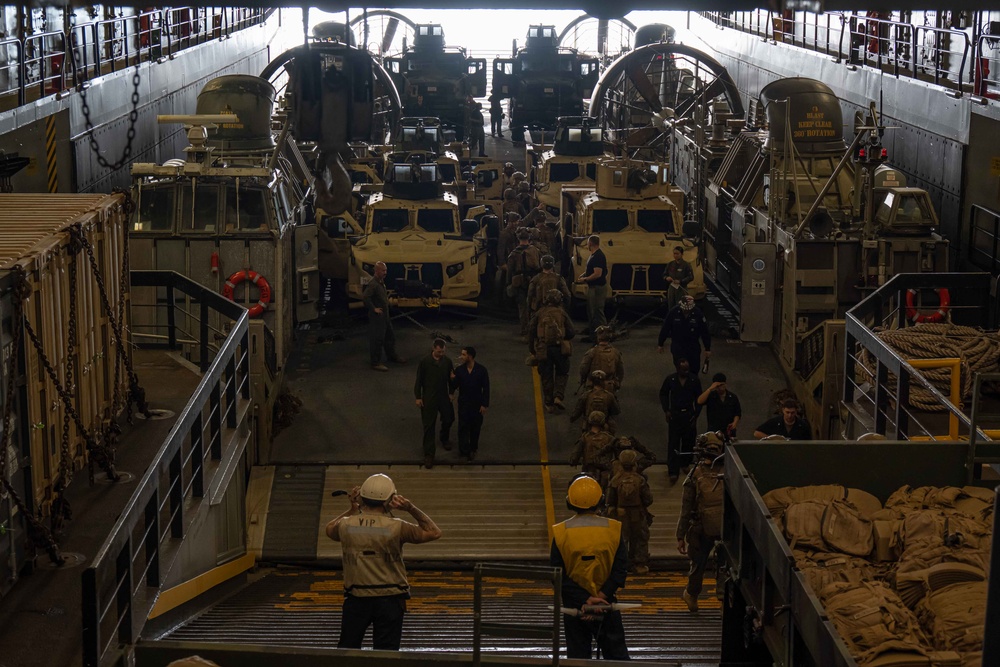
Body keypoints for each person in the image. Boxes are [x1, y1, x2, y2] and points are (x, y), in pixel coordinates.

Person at [325, 473, 442, 649]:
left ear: (362, 497)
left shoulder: (346, 525)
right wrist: (410, 508)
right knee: (386, 653)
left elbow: (329, 529)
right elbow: (434, 532)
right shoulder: (397, 526)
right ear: (390, 500)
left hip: (356, 598)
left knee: (347, 650)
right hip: (390, 599)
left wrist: (353, 509)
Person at [550, 476, 630, 660]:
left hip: (575, 607)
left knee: (578, 657)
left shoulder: (560, 533)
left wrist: (585, 601)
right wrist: (600, 598)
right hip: (606, 604)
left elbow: (557, 576)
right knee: (617, 656)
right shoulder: (614, 529)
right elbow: (619, 571)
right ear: (601, 500)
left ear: (569, 502)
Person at [676, 433, 725, 613]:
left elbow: (686, 508)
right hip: (724, 528)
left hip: (700, 528)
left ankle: (692, 595)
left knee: (698, 565)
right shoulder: (729, 472)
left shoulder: (694, 475)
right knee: (724, 566)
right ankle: (722, 600)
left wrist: (680, 535)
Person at [607, 449, 654, 575]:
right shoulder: (640, 480)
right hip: (638, 513)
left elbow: (610, 500)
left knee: (621, 540)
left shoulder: (615, 480)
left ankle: (620, 565)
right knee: (640, 538)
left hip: (620, 514)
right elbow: (648, 499)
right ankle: (640, 565)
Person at [527, 289, 575, 413]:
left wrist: (532, 350)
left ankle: (548, 403)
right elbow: (571, 332)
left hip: (543, 349)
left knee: (546, 376)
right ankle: (558, 396)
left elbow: (531, 331)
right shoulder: (562, 313)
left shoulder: (539, 313)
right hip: (560, 349)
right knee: (562, 372)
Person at [659, 358, 703, 483]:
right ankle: (673, 470)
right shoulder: (670, 379)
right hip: (675, 415)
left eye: (687, 369)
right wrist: (666, 409)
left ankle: (685, 463)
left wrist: (696, 414)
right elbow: (663, 393)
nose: (686, 372)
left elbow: (699, 398)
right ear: (677, 369)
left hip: (689, 414)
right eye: (683, 370)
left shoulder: (694, 380)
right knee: (673, 442)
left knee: (689, 440)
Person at [414, 338, 455, 468]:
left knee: (449, 418)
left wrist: (451, 392)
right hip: (429, 397)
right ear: (433, 349)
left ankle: (444, 437)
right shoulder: (425, 362)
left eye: (443, 351)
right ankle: (429, 454)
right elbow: (419, 380)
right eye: (439, 351)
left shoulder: (447, 362)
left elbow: (451, 378)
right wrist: (418, 397)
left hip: (443, 396)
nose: (441, 354)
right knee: (429, 425)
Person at [363, 261, 405, 372]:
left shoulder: (381, 282)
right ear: (376, 271)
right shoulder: (373, 284)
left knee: (390, 337)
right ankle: (375, 363)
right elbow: (366, 297)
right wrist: (374, 309)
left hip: (385, 316)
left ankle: (391, 356)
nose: (385, 272)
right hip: (378, 317)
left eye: (386, 270)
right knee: (378, 339)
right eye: (383, 270)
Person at [450, 346, 490, 462]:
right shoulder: (460, 370)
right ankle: (463, 450)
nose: (461, 357)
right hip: (464, 403)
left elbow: (486, 388)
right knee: (463, 426)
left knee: (475, 427)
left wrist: (484, 404)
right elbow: (455, 385)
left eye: (463, 355)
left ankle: (473, 448)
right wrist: (452, 382)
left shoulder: (482, 370)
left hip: (477, 404)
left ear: (470, 356)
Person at [657, 295, 711, 374]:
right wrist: (660, 344)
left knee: (694, 368)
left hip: (693, 346)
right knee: (680, 368)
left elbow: (705, 332)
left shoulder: (698, 313)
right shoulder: (673, 312)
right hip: (678, 345)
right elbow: (665, 328)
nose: (686, 311)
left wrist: (707, 348)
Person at [507, 228, 542, 338]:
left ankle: (525, 331)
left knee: (523, 308)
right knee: (535, 306)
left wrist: (509, 284)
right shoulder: (536, 250)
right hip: (534, 281)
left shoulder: (513, 254)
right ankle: (536, 329)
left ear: (518, 239)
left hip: (520, 283)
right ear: (529, 238)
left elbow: (510, 271)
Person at [576, 235, 609, 339]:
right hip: (594, 287)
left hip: (597, 288)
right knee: (591, 312)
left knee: (597, 312)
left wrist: (585, 279)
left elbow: (597, 274)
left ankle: (603, 336)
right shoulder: (593, 255)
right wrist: (584, 275)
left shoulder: (598, 256)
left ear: (590, 244)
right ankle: (593, 335)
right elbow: (592, 270)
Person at [569, 411, 615, 483]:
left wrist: (573, 461)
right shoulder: (610, 438)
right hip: (606, 473)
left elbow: (574, 457)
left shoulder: (584, 438)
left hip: (589, 473)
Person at [579, 326, 624, 393]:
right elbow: (620, 371)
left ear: (598, 337)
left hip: (592, 387)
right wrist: (617, 383)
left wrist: (583, 379)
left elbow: (583, 369)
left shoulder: (591, 352)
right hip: (610, 387)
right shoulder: (616, 353)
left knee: (582, 401)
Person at [697, 372, 742, 437]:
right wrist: (710, 389)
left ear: (725, 384)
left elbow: (737, 413)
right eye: (718, 386)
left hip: (728, 430)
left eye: (722, 385)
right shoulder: (711, 396)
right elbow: (699, 401)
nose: (720, 388)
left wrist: (734, 423)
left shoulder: (733, 397)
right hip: (714, 430)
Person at [663, 245, 694, 310]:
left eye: (677, 254)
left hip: (681, 289)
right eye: (674, 254)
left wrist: (681, 281)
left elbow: (691, 277)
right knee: (671, 306)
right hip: (672, 288)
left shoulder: (686, 265)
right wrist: (666, 278)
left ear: (682, 254)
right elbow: (664, 274)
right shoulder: (670, 264)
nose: (675, 255)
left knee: (681, 306)